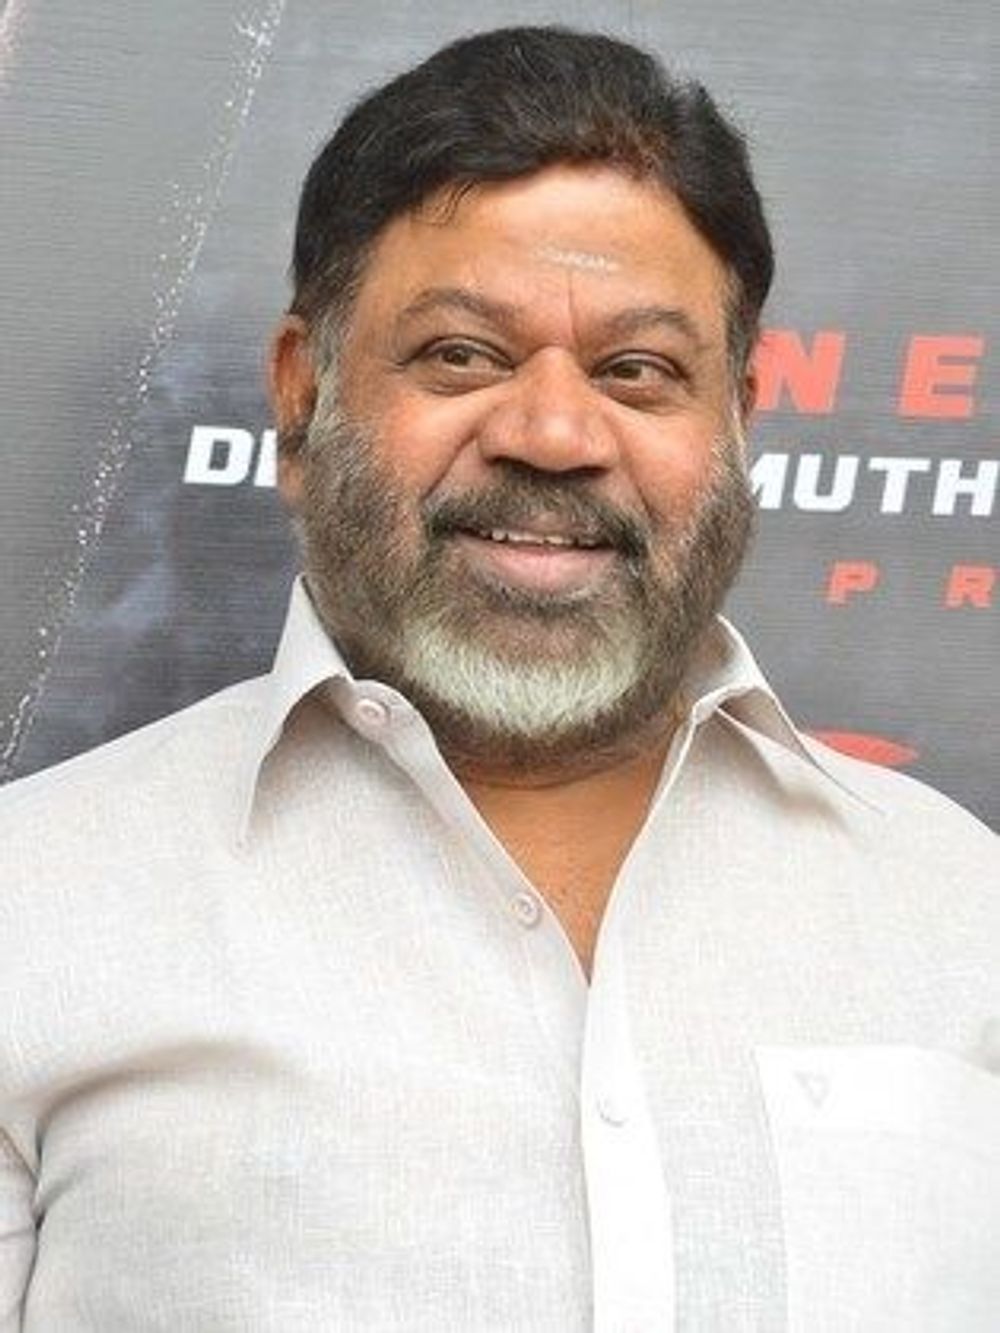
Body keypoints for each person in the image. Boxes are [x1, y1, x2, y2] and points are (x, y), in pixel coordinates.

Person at [1, 24, 996, 1332]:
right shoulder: (33, 909)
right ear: (301, 398)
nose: (555, 433)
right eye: (461, 354)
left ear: (738, 422)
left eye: (639, 371)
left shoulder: (962, 911)